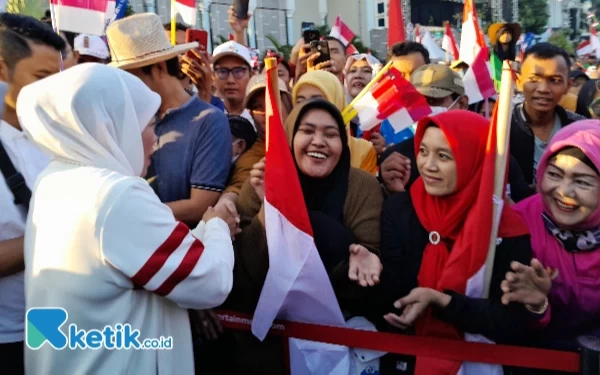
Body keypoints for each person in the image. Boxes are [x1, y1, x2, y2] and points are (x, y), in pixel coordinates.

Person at [18, 63, 236, 375]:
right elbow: (210, 280)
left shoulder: (54, 179)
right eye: (147, 124)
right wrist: (217, 227)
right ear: (112, 127)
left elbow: (135, 259)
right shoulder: (116, 195)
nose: (155, 136)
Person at [223, 99, 383, 374]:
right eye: (307, 131)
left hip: (337, 336)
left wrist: (359, 257)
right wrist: (269, 209)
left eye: (331, 134)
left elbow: (367, 274)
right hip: (266, 339)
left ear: (343, 143)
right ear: (290, 137)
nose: (318, 141)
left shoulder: (363, 187)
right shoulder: (261, 179)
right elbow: (241, 273)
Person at [379, 110, 533, 374]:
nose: (428, 165)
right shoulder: (400, 208)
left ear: (473, 159)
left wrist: (445, 303)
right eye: (423, 151)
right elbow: (391, 295)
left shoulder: (504, 227)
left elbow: (512, 321)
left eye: (443, 156)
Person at [107, 14, 232, 227]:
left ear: (160, 68)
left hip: (182, 253)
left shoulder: (209, 121)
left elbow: (200, 206)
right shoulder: (130, 119)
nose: (125, 86)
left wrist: (127, 214)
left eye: (131, 77)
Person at [0, 14, 65, 374]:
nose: (54, 93)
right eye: (41, 80)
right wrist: (63, 237)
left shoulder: (55, 140)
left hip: (57, 331)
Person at [501, 121, 600, 350]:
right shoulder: (518, 224)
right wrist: (537, 307)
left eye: (582, 182)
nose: (564, 192)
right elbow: (505, 322)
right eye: (554, 174)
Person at [512, 43, 585, 189]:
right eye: (533, 79)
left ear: (568, 86)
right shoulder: (501, 130)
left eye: (555, 80)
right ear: (519, 82)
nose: (543, 89)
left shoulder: (581, 131)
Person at [292, 70, 378, 175]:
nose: (307, 107)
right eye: (300, 102)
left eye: (318, 101)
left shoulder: (363, 151)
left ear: (336, 101)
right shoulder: (282, 151)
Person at [212, 40, 254, 121]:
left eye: (238, 71)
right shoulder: (208, 115)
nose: (230, 80)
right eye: (222, 71)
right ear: (213, 76)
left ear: (251, 74)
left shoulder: (261, 116)